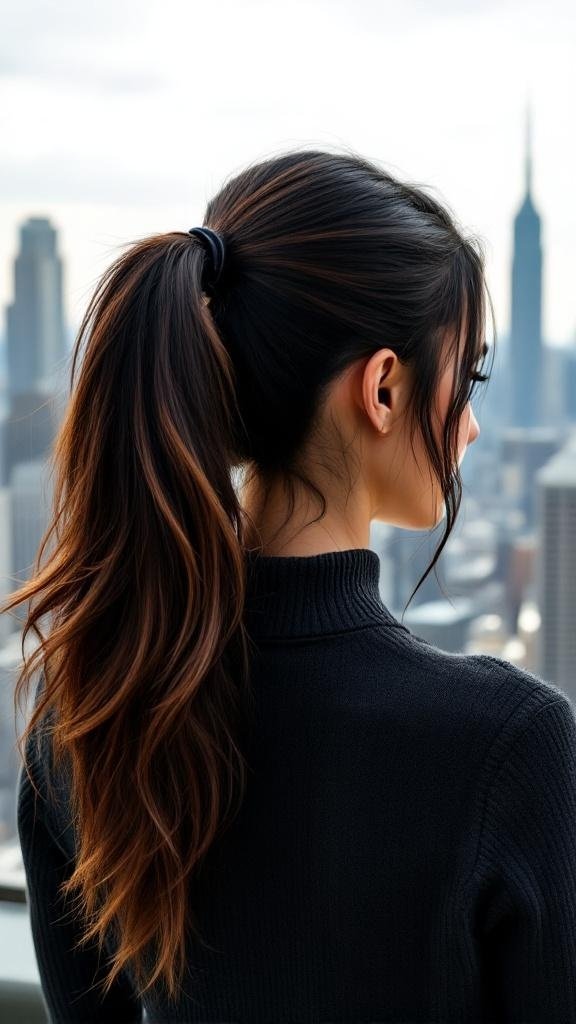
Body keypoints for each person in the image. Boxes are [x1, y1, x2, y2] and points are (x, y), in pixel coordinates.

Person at [9, 146, 576, 1023]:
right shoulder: (509, 747)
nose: (469, 426)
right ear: (382, 387)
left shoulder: (85, 717)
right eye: (466, 380)